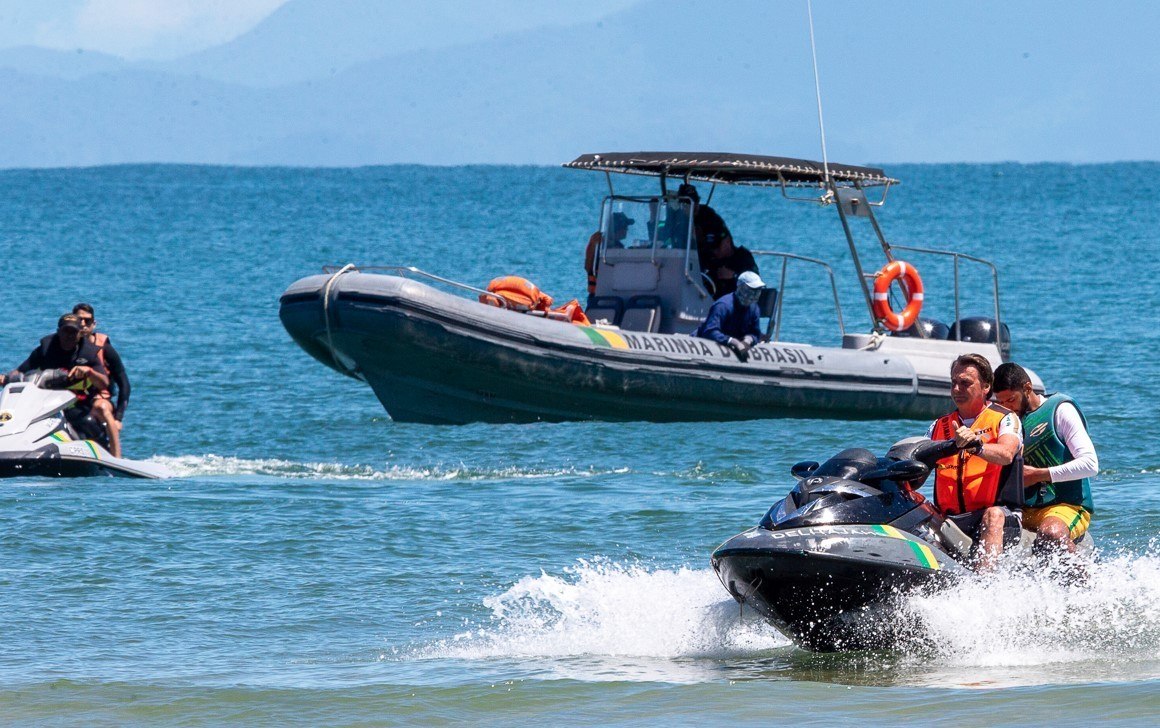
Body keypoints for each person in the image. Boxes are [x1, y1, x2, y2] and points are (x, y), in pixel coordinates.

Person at [925, 353, 1024, 571]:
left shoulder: (1006, 418)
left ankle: (984, 586)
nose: (957, 389)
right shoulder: (938, 426)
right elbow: (920, 461)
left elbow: (1007, 453)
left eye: (965, 383)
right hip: (951, 517)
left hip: (999, 516)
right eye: (954, 383)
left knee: (994, 515)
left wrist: (976, 446)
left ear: (986, 386)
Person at [993, 363, 1097, 554]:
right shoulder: (1004, 421)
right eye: (1001, 402)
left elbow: (1090, 464)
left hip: (1066, 505)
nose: (1007, 407)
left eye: (1012, 399)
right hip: (1023, 510)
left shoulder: (1061, 410)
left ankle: (1088, 582)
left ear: (1027, 388)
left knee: (1051, 532)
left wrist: (1039, 475)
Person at [1, 314, 110, 437]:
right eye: (65, 331)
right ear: (58, 332)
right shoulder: (45, 349)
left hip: (77, 404)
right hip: (45, 404)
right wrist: (6, 378)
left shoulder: (88, 354)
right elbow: (20, 371)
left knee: (88, 422)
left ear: (80, 333)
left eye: (73, 332)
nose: (68, 336)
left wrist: (89, 372)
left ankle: (101, 451)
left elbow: (104, 383)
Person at [73, 303, 130, 458]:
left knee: (102, 407)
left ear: (94, 324)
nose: (83, 324)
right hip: (70, 399)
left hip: (97, 399)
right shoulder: (64, 346)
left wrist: (118, 418)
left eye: (87, 321)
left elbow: (124, 384)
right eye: (79, 320)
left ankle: (116, 458)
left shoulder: (104, 348)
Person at [693, 271, 765, 361]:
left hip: (738, 342)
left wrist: (748, 340)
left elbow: (755, 333)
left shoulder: (754, 309)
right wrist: (733, 342)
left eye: (757, 291)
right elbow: (710, 331)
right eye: (750, 290)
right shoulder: (723, 306)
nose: (753, 295)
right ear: (740, 287)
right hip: (703, 343)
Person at [584, 212, 633, 301]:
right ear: (618, 228)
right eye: (625, 227)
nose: (627, 230)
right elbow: (589, 266)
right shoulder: (599, 243)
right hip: (597, 295)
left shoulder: (613, 245)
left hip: (607, 293)